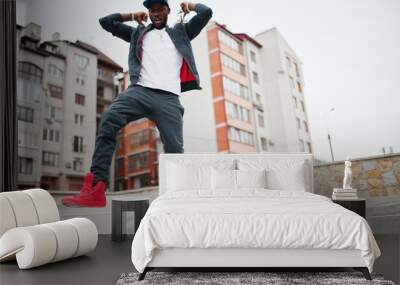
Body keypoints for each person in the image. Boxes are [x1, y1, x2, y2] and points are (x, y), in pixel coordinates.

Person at [62, 0, 212, 207]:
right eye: (151, 10)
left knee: (175, 150)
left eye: (160, 9)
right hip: (139, 91)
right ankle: (96, 188)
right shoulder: (137, 34)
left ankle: (180, 197)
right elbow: (105, 22)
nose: (155, 13)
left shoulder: (182, 32)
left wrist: (191, 6)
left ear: (168, 10)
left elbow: (206, 13)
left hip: (168, 98)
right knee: (109, 118)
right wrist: (132, 16)